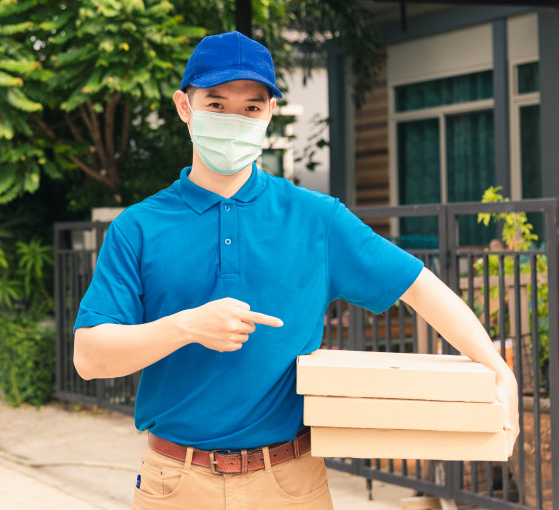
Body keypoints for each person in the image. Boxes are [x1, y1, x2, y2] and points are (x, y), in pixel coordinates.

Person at [72, 31, 519, 510]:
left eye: (251, 108)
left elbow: (421, 288)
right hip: (175, 484)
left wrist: (498, 371)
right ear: (185, 106)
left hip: (289, 482)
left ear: (268, 115)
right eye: (216, 104)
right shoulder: (138, 227)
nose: (233, 119)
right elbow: (90, 358)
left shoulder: (316, 219)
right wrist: (188, 326)